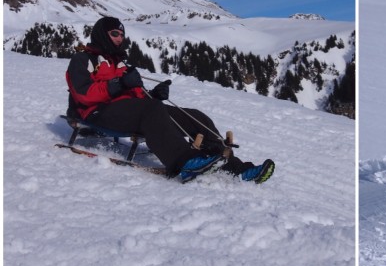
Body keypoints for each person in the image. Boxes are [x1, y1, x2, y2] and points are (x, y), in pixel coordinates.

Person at [65, 16, 275, 183]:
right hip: (97, 112)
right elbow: (83, 93)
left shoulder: (120, 64)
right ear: (102, 34)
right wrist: (119, 85)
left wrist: (154, 95)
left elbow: (137, 96)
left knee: (194, 116)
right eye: (114, 33)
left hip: (126, 110)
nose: (120, 38)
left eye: (121, 34)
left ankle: (237, 169)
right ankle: (184, 162)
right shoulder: (84, 59)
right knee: (150, 110)